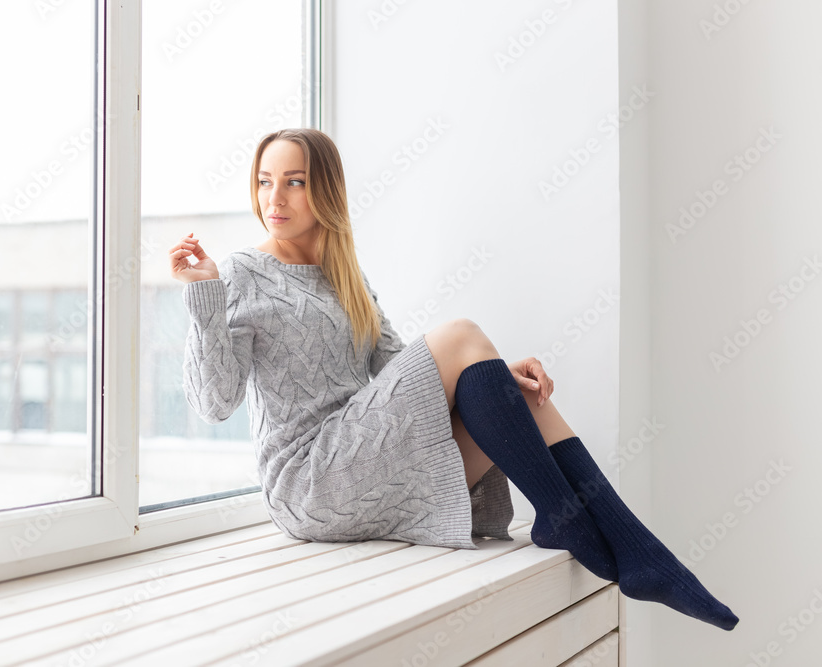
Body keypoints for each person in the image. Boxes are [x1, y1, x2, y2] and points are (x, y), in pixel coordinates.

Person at [168, 128, 738, 631]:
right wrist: (202, 292)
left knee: (519, 393)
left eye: (293, 181)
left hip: (361, 460)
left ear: (326, 192)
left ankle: (624, 545)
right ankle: (602, 534)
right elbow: (214, 403)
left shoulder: (344, 274)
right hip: (307, 480)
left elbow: (394, 373)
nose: (275, 197)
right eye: (266, 181)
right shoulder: (241, 273)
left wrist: (493, 376)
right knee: (462, 334)